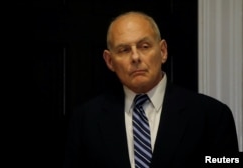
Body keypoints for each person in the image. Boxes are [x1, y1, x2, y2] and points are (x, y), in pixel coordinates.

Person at [63, 11, 239, 168]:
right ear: (110, 61)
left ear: (162, 51)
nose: (135, 57)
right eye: (124, 50)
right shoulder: (86, 119)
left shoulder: (212, 115)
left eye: (144, 46)